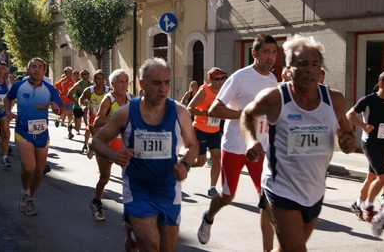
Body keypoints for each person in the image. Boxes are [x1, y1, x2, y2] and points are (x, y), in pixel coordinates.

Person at [240, 35, 355, 251]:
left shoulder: (335, 99)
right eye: (303, 64)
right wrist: (251, 140)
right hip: (280, 188)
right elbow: (247, 115)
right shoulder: (274, 98)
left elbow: (346, 133)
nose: (310, 70)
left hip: (315, 190)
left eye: (315, 64)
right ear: (289, 69)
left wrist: (346, 141)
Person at [92, 57, 198, 252]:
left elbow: (193, 146)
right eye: (156, 83)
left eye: (167, 82)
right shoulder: (125, 113)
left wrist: (185, 165)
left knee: (167, 248)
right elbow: (97, 141)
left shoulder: (179, 112)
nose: (163, 88)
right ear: (142, 84)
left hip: (168, 189)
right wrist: (114, 155)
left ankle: (132, 238)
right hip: (137, 188)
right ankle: (136, 236)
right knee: (150, 246)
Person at [197, 34, 277, 251]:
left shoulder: (273, 80)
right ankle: (209, 216)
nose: (270, 57)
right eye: (265, 52)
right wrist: (245, 115)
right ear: (254, 53)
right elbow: (215, 109)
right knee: (227, 196)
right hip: (235, 146)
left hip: (261, 148)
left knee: (267, 198)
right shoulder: (239, 78)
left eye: (274, 52)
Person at [4, 57, 64, 216]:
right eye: (33, 67)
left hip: (42, 134)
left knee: (38, 172)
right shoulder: (18, 86)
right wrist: (8, 112)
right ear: (28, 69)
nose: (37, 69)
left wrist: (57, 109)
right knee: (29, 168)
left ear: (44, 71)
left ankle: (30, 199)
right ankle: (24, 192)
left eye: (40, 67)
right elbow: (7, 99)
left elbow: (61, 109)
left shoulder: (50, 89)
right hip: (23, 132)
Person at [89, 69, 132, 221]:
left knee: (131, 176)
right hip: (108, 145)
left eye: (126, 81)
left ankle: (132, 211)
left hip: (124, 145)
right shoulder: (108, 99)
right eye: (120, 81)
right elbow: (97, 121)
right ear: (112, 84)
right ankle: (96, 201)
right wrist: (115, 122)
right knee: (105, 178)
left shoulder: (130, 98)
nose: (124, 85)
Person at [347, 71, 384, 222]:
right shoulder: (368, 100)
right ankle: (369, 206)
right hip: (370, 143)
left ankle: (357, 204)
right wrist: (364, 125)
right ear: (380, 85)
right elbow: (350, 115)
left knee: (371, 177)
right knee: (383, 177)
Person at [187, 67, 227, 197]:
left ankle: (212, 187)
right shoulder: (203, 91)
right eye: (217, 79)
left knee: (217, 158)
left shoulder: (224, 91)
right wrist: (206, 113)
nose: (220, 81)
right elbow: (190, 108)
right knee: (201, 162)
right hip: (200, 129)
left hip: (214, 130)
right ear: (210, 80)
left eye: (223, 78)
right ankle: (184, 165)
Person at [78, 69, 110, 159]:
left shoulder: (109, 91)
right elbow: (80, 100)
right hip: (93, 118)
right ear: (94, 80)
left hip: (105, 118)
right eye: (98, 79)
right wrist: (82, 107)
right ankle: (101, 163)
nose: (100, 81)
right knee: (97, 138)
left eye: (102, 79)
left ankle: (92, 146)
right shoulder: (89, 91)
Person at [67, 69, 92, 152]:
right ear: (82, 76)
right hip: (78, 108)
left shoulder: (91, 85)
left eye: (88, 73)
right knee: (77, 129)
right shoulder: (78, 85)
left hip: (86, 108)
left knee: (87, 125)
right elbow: (69, 95)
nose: (87, 75)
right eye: (85, 74)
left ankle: (85, 144)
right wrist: (77, 101)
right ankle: (71, 126)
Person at [54, 67, 75, 133]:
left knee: (70, 115)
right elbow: (55, 87)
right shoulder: (62, 81)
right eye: (69, 72)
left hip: (70, 101)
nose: (70, 74)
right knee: (63, 113)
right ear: (65, 73)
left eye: (71, 72)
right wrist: (61, 93)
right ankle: (58, 119)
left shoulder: (73, 82)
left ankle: (70, 132)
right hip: (63, 101)